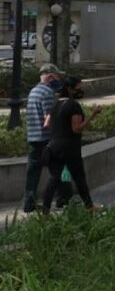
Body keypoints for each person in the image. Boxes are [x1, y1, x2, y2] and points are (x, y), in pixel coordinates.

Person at [41, 76, 101, 212]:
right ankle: (89, 206)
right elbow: (77, 128)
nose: (81, 90)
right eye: (78, 87)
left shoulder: (55, 104)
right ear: (70, 89)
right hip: (70, 147)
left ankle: (45, 211)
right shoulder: (73, 105)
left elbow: (47, 124)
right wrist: (93, 115)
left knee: (54, 178)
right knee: (79, 177)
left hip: (54, 146)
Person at [23, 64, 69, 213]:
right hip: (46, 139)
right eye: (57, 77)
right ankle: (63, 199)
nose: (59, 80)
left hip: (33, 137)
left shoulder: (34, 91)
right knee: (59, 169)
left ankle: (28, 202)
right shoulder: (47, 92)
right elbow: (49, 118)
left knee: (33, 172)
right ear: (49, 76)